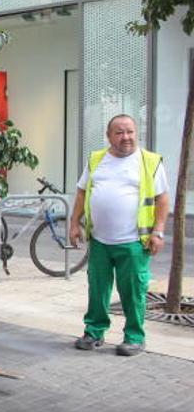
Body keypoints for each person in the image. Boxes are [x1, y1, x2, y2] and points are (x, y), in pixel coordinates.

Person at [70, 114, 169, 357]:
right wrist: (74, 223)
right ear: (109, 136)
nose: (126, 137)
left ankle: (134, 338)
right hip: (101, 241)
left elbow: (162, 199)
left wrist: (158, 232)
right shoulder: (96, 160)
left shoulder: (149, 161)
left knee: (133, 291)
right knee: (98, 289)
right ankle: (94, 332)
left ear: (136, 133)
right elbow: (82, 192)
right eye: (119, 132)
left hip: (134, 243)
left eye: (130, 132)